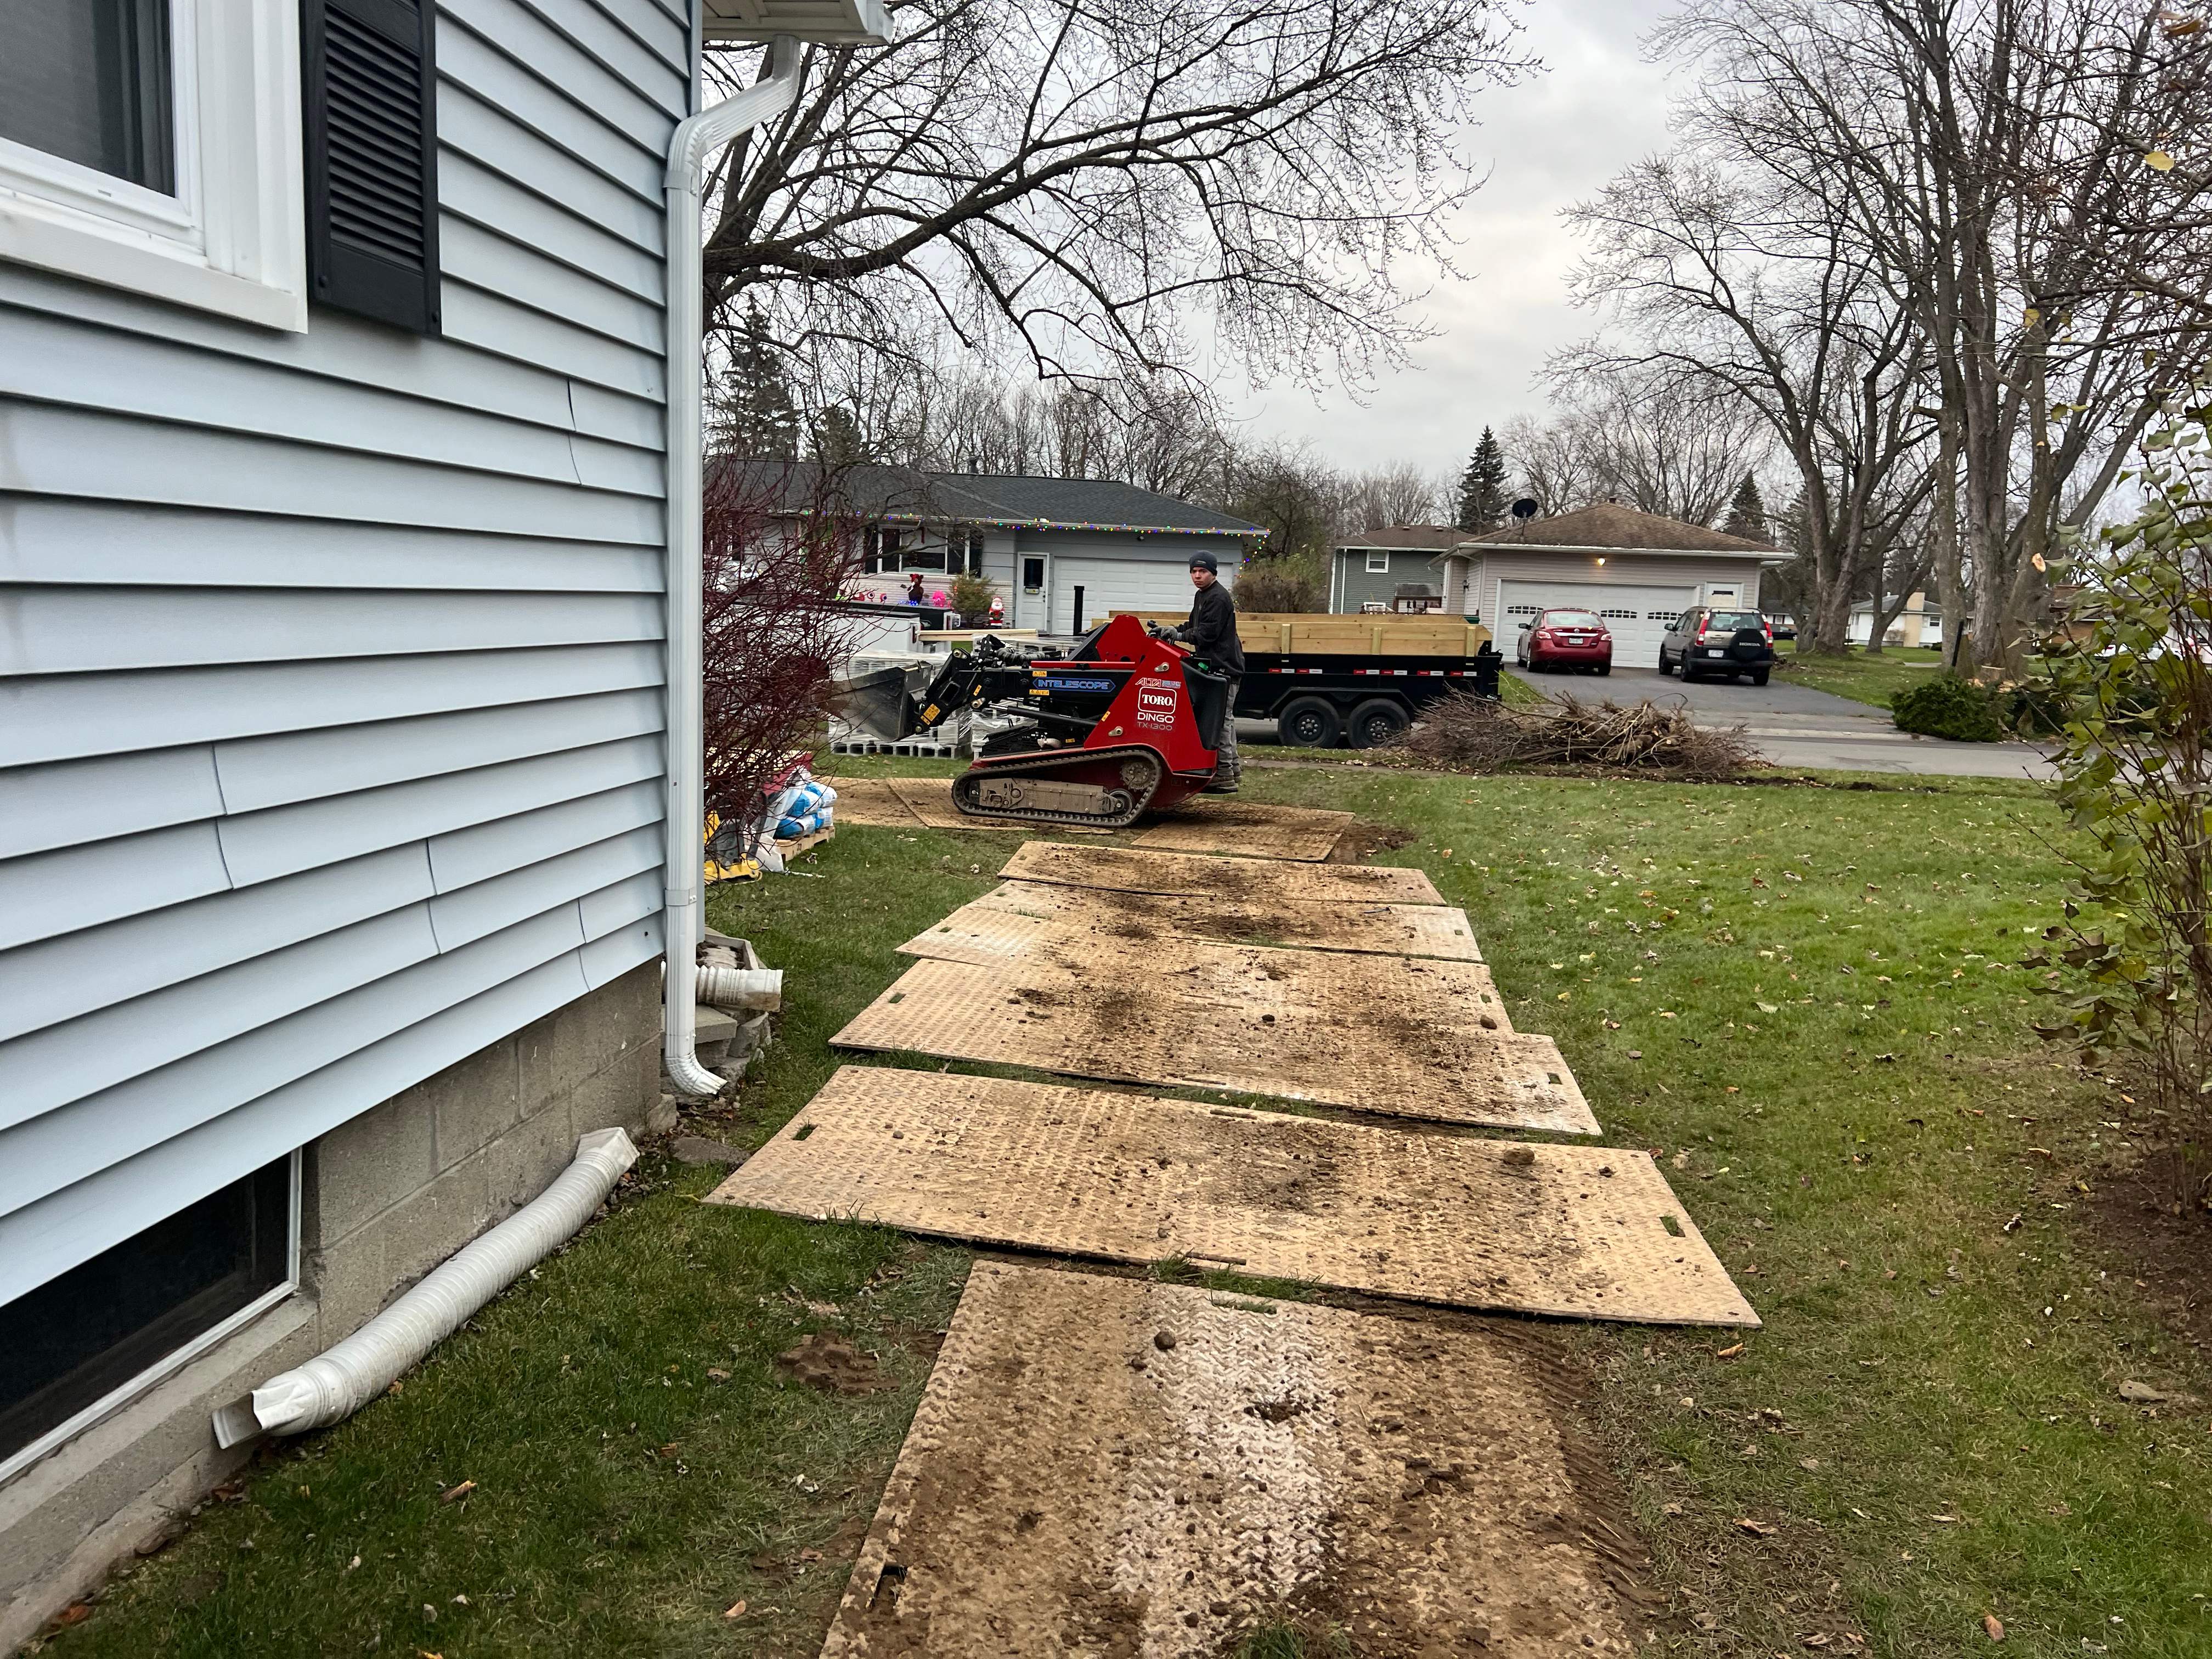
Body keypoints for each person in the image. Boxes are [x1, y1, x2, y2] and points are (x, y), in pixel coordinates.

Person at [1168, 551, 1243, 793]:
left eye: (1203, 572)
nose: (1198, 576)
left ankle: (1223, 775)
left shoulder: (1218, 598)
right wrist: (1171, 630)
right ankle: (1232, 770)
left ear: (1213, 573)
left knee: (1220, 723)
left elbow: (1207, 634)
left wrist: (1179, 636)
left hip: (1224, 668)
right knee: (1226, 722)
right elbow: (1194, 626)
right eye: (1194, 572)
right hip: (1219, 666)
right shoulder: (1203, 595)